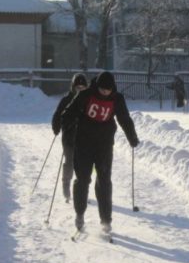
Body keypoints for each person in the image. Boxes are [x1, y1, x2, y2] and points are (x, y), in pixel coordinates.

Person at [61, 71, 139, 237]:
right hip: (83, 144)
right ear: (98, 86)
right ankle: (80, 214)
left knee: (104, 180)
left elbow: (124, 118)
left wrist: (132, 136)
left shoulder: (117, 98)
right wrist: (64, 122)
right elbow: (71, 110)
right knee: (82, 179)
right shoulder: (86, 94)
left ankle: (106, 220)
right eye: (102, 89)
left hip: (104, 145)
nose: (105, 93)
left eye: (107, 90)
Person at [51, 73, 88, 203]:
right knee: (70, 162)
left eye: (83, 88)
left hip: (84, 138)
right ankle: (66, 184)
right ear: (73, 87)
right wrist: (56, 126)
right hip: (69, 137)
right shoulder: (66, 100)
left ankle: (82, 190)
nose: (80, 90)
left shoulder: (88, 100)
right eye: (78, 87)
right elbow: (58, 114)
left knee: (83, 165)